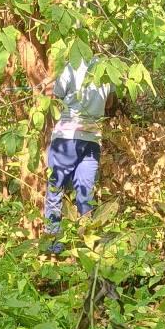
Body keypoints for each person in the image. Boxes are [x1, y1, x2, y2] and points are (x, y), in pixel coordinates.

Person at [43, 54, 112, 253]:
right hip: (92, 140)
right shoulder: (107, 67)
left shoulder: (71, 65)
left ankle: (53, 245)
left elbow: (55, 94)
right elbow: (109, 102)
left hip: (67, 138)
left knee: (55, 190)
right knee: (85, 193)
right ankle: (85, 247)